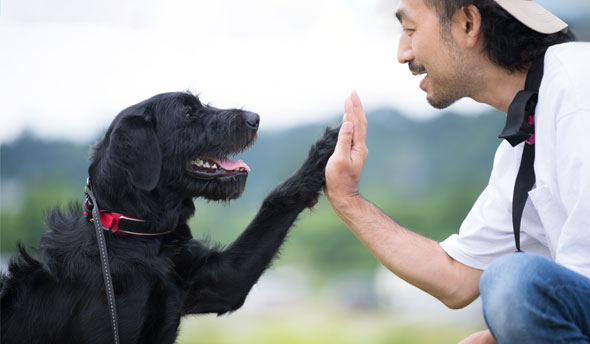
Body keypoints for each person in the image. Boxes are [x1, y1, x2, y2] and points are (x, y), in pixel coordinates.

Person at [324, 0, 590, 343]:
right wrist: (347, 197)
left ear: (468, 23)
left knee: (511, 281)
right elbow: (456, 278)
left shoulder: (579, 88)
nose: (403, 53)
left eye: (410, 30)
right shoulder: (524, 140)